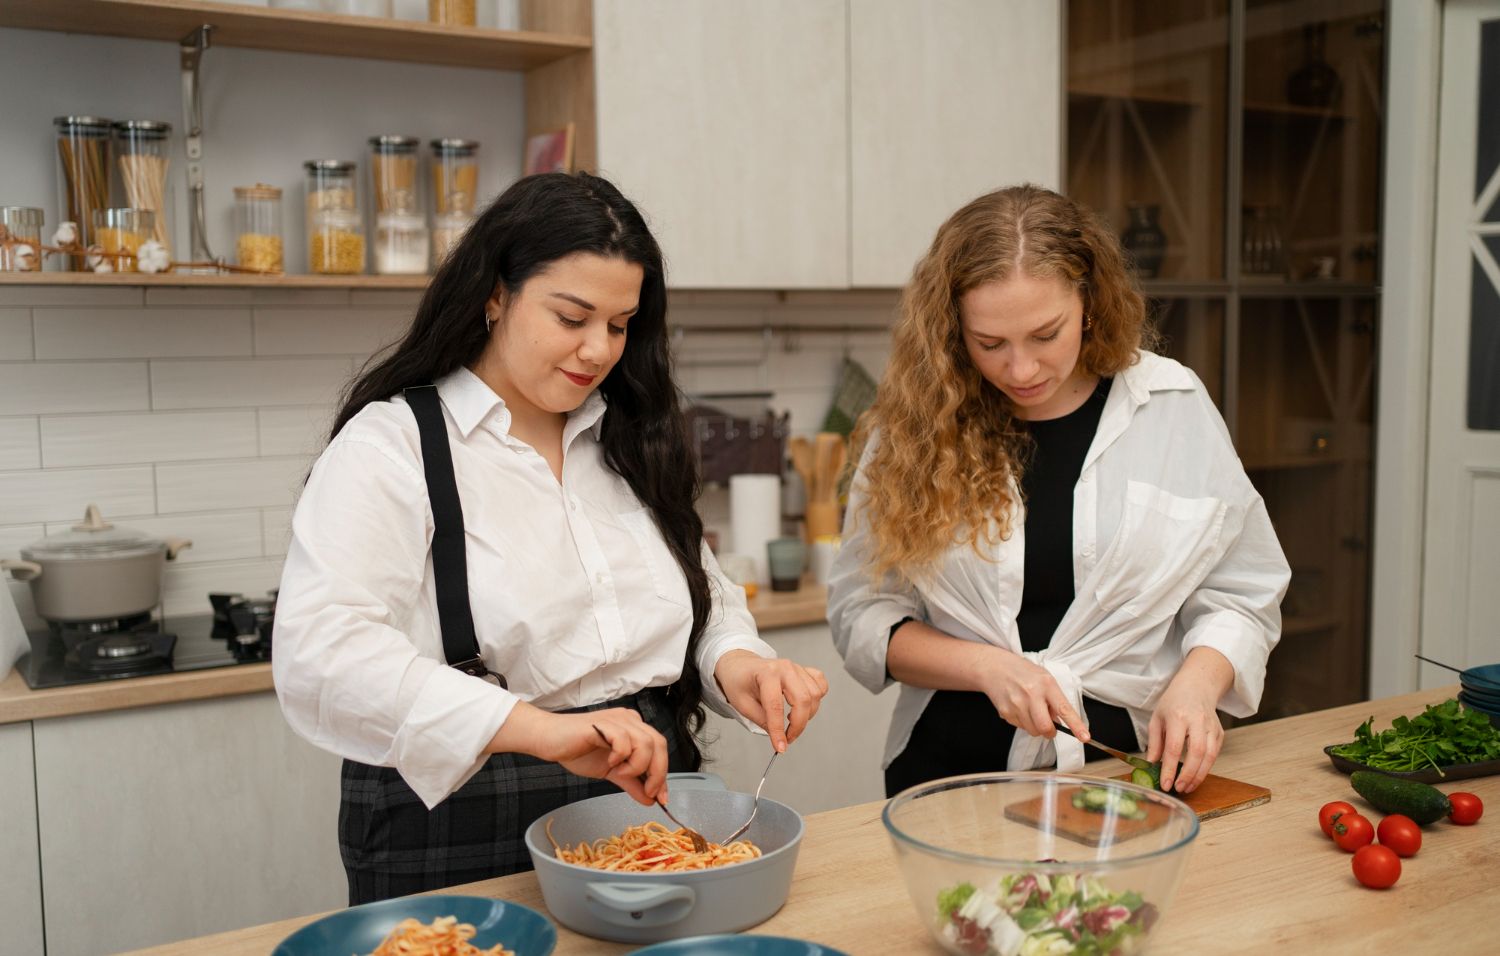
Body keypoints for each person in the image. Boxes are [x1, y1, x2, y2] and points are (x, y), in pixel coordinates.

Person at [274, 172, 827, 904]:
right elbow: (323, 656)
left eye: (621, 324)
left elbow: (702, 595)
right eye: (572, 317)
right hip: (460, 813)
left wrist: (739, 663)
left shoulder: (633, 439)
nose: (599, 349)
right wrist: (537, 729)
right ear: (496, 293)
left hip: (648, 789)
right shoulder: (393, 446)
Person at [828, 184, 1289, 799]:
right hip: (951, 776)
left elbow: (1241, 590)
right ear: (951, 329)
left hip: (1130, 771)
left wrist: (1198, 686)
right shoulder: (917, 424)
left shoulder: (1171, 406)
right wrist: (987, 668)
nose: (1020, 370)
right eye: (989, 344)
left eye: (1046, 335)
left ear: (1090, 302)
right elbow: (862, 612)